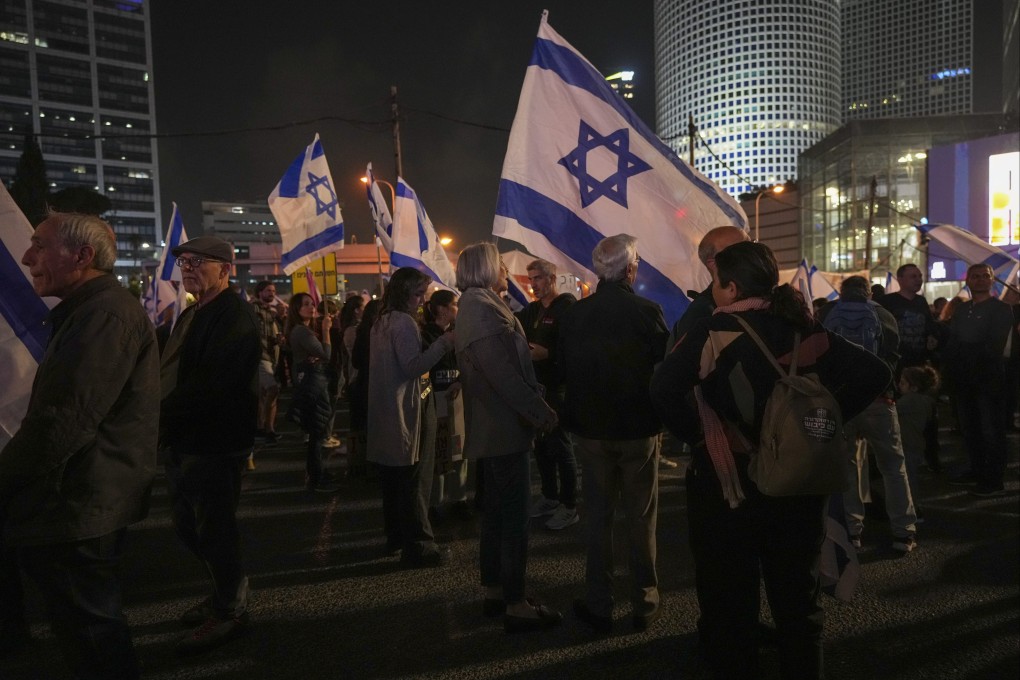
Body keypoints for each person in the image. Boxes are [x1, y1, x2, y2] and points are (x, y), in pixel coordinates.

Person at [651, 241, 891, 680]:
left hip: (732, 481)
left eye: (716, 281)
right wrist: (824, 422)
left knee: (731, 602)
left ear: (731, 286)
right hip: (799, 478)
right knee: (799, 603)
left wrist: (702, 440)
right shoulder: (805, 327)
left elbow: (663, 388)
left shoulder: (714, 330)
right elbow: (876, 373)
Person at [0, 212, 157, 678]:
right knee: (87, 629)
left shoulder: (103, 316)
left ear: (83, 256)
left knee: (93, 634)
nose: (27, 257)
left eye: (40, 246)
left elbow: (60, 423)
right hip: (82, 496)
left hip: (81, 502)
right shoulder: (90, 311)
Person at [559, 234, 668, 634]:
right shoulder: (646, 311)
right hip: (638, 429)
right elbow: (664, 369)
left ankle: (599, 601)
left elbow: (560, 370)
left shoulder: (573, 315)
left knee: (598, 518)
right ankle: (645, 599)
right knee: (641, 519)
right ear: (631, 269)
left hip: (589, 431)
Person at [160, 235, 260, 654]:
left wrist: (160, 411)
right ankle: (224, 592)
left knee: (213, 526)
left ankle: (229, 611)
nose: (187, 267)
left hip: (214, 441)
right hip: (184, 437)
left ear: (225, 268)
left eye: (198, 261)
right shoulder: (193, 312)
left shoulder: (233, 315)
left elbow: (213, 384)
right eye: (183, 261)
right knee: (190, 524)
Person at [455, 242, 562, 633]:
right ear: (484, 268)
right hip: (503, 429)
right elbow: (503, 377)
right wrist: (541, 413)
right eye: (499, 263)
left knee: (499, 515)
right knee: (514, 519)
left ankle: (496, 590)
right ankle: (516, 602)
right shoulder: (481, 311)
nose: (505, 269)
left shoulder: (481, 306)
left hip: (498, 427)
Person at [819, 275, 918, 553]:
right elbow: (893, 356)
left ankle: (852, 531)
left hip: (843, 403)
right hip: (878, 400)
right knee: (893, 467)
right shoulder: (883, 315)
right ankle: (903, 532)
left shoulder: (828, 313)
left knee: (848, 466)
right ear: (869, 293)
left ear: (841, 292)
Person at [367, 268, 454, 567]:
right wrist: (444, 343)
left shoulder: (381, 320)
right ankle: (419, 545)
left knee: (394, 480)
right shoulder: (403, 322)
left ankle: (396, 537)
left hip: (388, 409)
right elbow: (413, 366)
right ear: (405, 293)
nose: (422, 301)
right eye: (418, 294)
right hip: (408, 409)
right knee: (416, 480)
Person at [517, 258, 579, 530]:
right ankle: (550, 496)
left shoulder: (566, 306)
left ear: (552, 277)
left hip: (557, 388)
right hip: (536, 388)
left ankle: (569, 505)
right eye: (531, 279)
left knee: (560, 445)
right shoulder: (531, 311)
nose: (533, 285)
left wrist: (549, 354)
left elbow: (574, 348)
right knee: (541, 446)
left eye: (538, 278)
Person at [943, 264, 1015, 497]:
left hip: (989, 380)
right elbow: (953, 341)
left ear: (993, 280)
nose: (981, 280)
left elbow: (993, 344)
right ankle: (976, 469)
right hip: (964, 380)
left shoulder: (1002, 309)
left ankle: (993, 478)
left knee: (991, 430)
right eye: (976, 276)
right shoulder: (963, 310)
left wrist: (963, 349)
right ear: (968, 281)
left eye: (986, 276)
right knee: (970, 429)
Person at [423, 290, 472, 523]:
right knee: (438, 451)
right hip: (436, 399)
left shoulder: (459, 333)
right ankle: (435, 503)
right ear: (441, 309)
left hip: (457, 399)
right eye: (455, 305)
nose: (458, 309)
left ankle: (459, 499)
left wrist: (461, 380)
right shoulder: (425, 335)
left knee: (459, 450)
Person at [286, 292, 337, 493]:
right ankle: (316, 478)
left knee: (318, 431)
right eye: (306, 304)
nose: (312, 307)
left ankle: (318, 472)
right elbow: (326, 354)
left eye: (312, 304)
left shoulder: (303, 330)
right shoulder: (301, 332)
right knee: (317, 432)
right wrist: (326, 331)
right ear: (296, 310)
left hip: (312, 382)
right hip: (311, 385)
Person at [877, 263, 938, 377]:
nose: (918, 280)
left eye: (920, 276)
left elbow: (930, 324)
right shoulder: (887, 302)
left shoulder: (921, 301)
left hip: (919, 361)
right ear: (900, 279)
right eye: (913, 277)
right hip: (896, 362)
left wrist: (931, 336)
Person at [897, 365, 941, 512]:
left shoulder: (908, 402)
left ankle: (913, 507)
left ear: (914, 387)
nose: (899, 385)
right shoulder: (927, 402)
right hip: (917, 445)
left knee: (908, 479)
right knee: (910, 477)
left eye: (903, 383)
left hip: (907, 445)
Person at [348, 299, 380, 478]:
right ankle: (373, 466)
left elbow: (356, 361)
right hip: (372, 385)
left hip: (364, 384)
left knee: (368, 427)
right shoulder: (377, 333)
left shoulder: (362, 332)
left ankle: (368, 465)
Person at [252, 280, 284, 450]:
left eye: (273, 291)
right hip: (260, 356)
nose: (272, 293)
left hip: (271, 358)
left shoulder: (271, 313)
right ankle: (262, 424)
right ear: (260, 292)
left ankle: (268, 430)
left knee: (266, 394)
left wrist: (278, 339)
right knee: (272, 388)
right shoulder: (254, 308)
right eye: (268, 291)